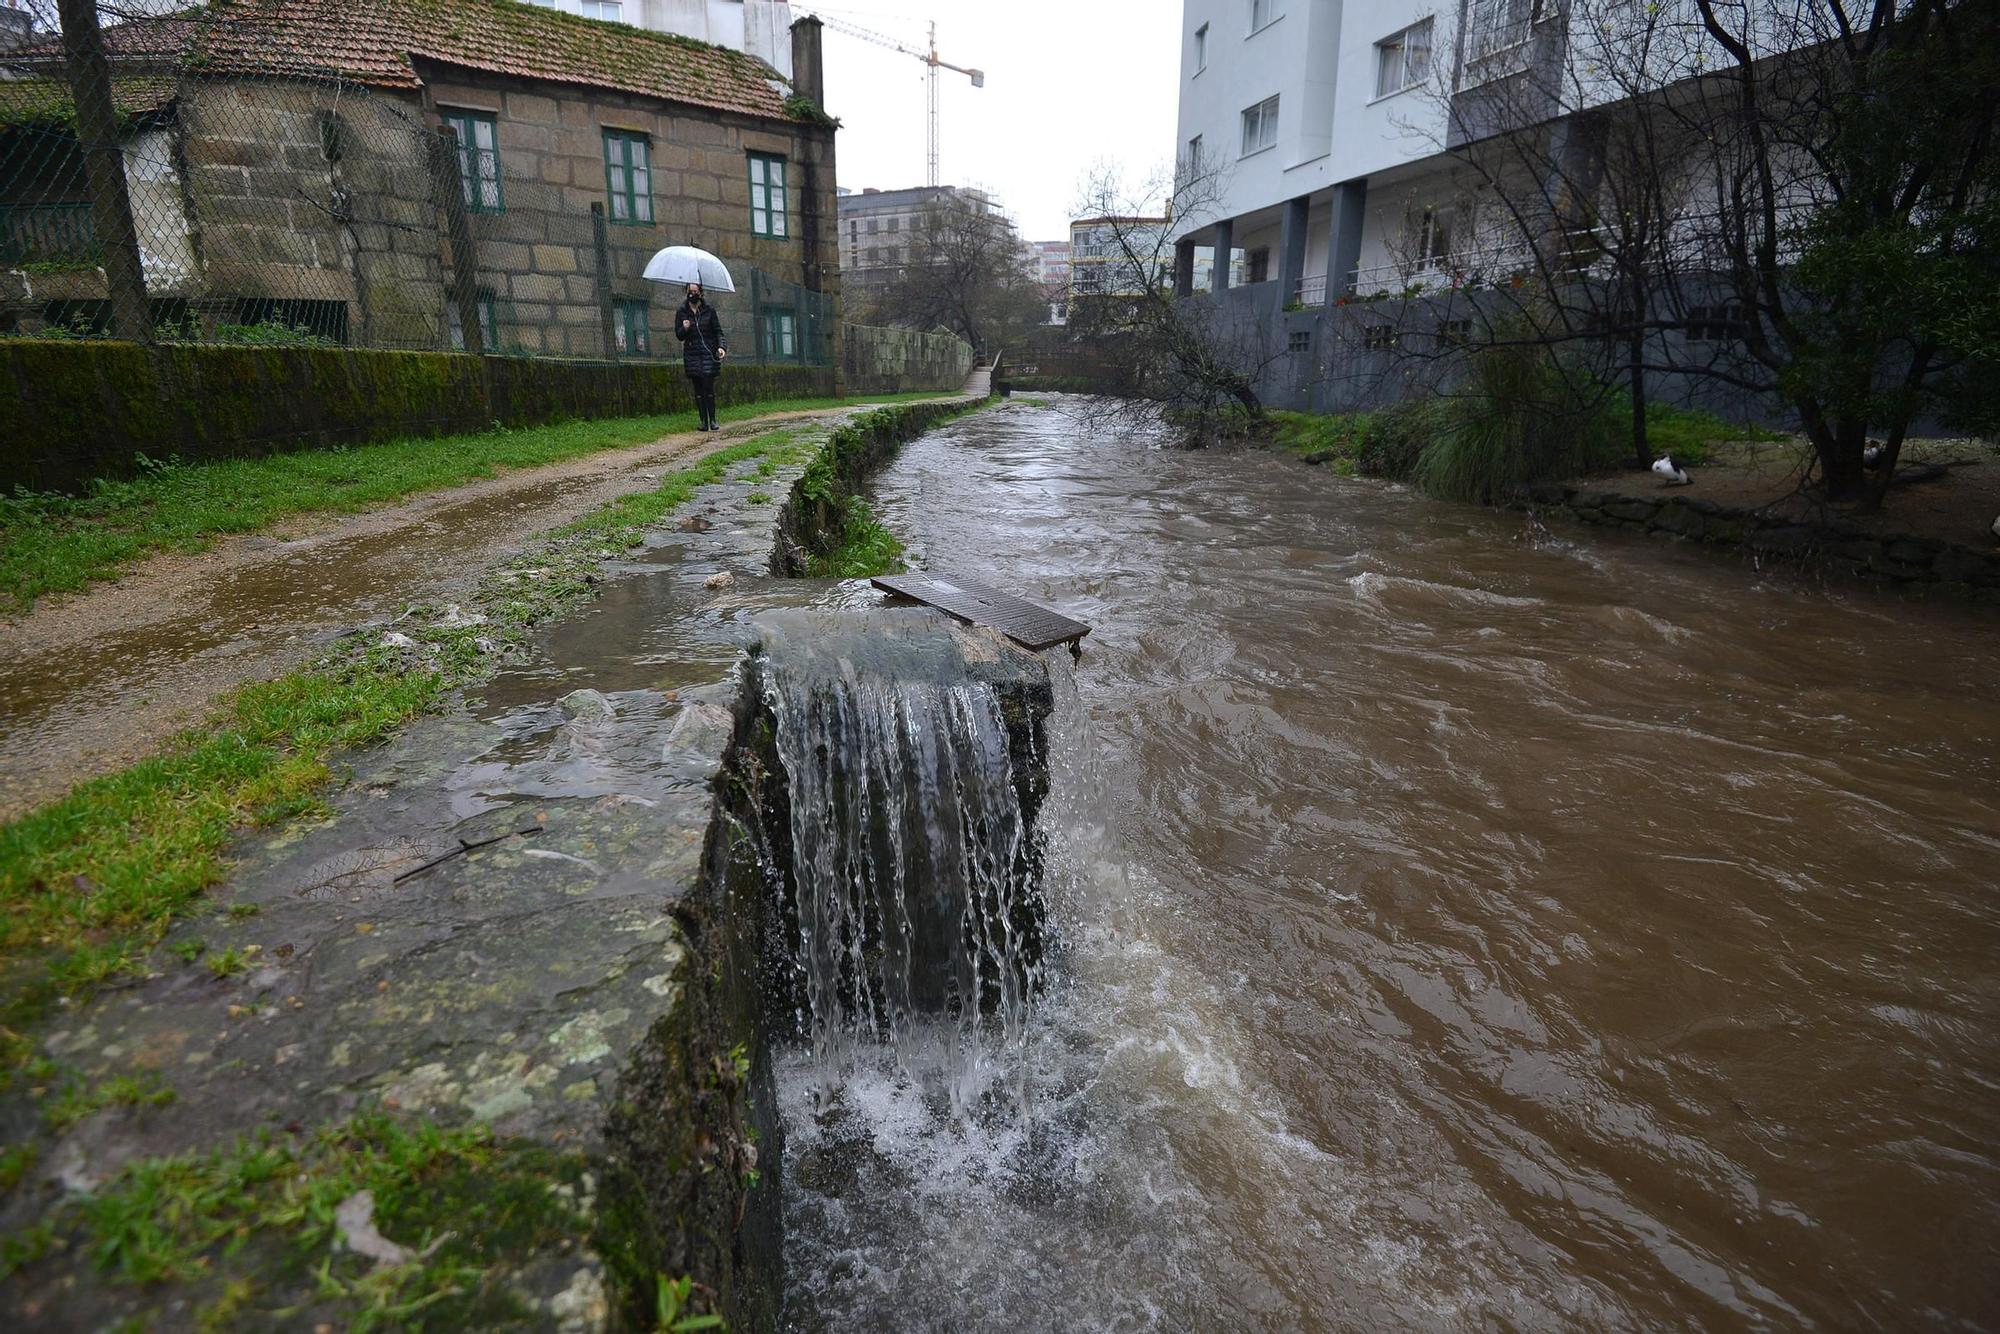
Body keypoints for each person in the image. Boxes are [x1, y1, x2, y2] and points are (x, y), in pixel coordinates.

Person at [675, 282, 727, 431]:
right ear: (686, 292)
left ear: (701, 292)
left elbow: (718, 331)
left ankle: (713, 420)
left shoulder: (709, 310)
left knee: (708, 386)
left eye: (695, 291)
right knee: (698, 389)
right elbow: (679, 335)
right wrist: (684, 328)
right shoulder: (682, 312)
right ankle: (703, 421)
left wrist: (721, 347)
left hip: (708, 353)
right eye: (690, 291)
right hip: (692, 355)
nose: (693, 294)